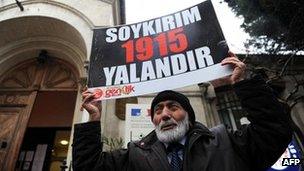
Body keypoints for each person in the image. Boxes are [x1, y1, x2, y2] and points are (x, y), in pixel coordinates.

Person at [72, 52, 293, 171]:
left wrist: (245, 85)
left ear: (188, 115)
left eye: (173, 107)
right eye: (158, 110)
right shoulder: (134, 154)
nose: (164, 114)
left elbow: (273, 133)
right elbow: (88, 167)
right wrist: (93, 119)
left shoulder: (225, 142)